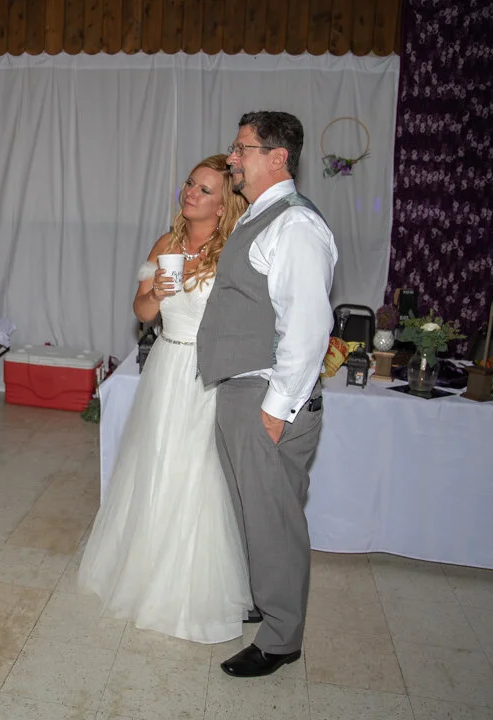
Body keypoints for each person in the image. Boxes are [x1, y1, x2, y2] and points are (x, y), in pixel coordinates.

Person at [78, 154, 252, 643]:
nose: (190, 192)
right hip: (165, 364)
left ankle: (189, 589)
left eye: (204, 189)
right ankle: (144, 571)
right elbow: (141, 311)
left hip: (208, 372)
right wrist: (154, 292)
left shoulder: (235, 249)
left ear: (223, 206)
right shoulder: (166, 243)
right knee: (155, 463)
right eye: (190, 183)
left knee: (197, 472)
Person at [197, 112, 337, 677]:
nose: (232, 158)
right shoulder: (260, 216)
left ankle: (281, 639)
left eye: (242, 149)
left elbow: (307, 329)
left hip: (268, 394)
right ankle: (264, 600)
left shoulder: (295, 225)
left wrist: (275, 412)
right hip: (245, 389)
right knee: (252, 512)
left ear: (277, 157)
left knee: (274, 520)